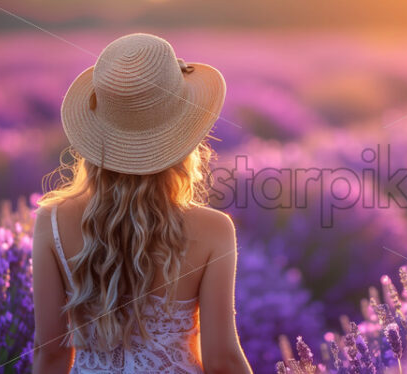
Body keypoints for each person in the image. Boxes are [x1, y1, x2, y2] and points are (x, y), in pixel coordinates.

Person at [31, 33, 252, 373]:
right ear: (184, 134)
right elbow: (222, 359)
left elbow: (50, 354)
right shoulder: (213, 231)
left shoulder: (52, 221)